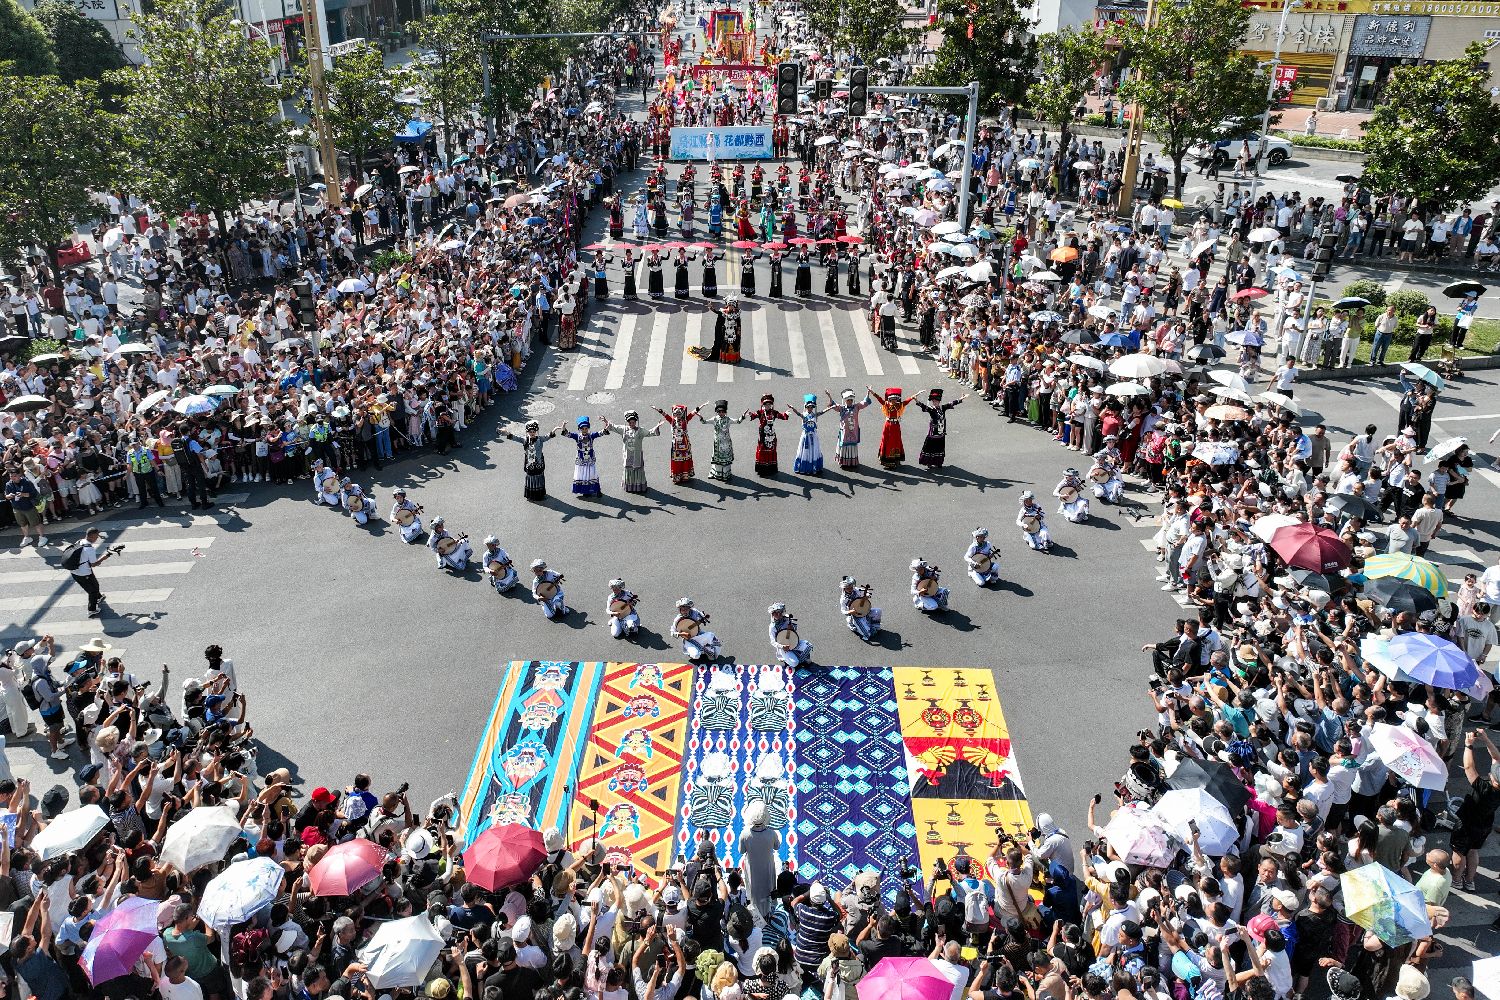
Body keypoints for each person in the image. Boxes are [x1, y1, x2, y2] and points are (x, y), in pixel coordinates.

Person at [500, 420, 559, 502]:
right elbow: (515, 438)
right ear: (527, 432)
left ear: (536, 432)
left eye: (533, 432)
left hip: (538, 462)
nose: (532, 433)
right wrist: (507, 433)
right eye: (530, 432)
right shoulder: (525, 440)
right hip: (530, 463)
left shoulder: (540, 439)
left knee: (539, 477)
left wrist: (554, 429)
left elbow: (548, 436)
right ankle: (531, 495)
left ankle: (540, 495)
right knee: (531, 478)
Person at [67, 527, 116, 618]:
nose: (97, 538)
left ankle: (99, 597)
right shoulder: (90, 549)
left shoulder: (80, 541)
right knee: (92, 591)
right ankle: (92, 610)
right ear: (92, 536)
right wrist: (105, 556)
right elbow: (94, 564)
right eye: (97, 536)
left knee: (95, 585)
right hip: (84, 573)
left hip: (74, 571)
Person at [914, 388, 966, 469]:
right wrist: (916, 399)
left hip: (941, 432)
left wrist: (961, 399)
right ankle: (929, 462)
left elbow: (951, 403)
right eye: (934, 401)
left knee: (940, 447)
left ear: (939, 401)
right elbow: (923, 406)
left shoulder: (942, 408)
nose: (935, 403)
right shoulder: (931, 409)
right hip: (933, 433)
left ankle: (938, 462)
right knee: (930, 448)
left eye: (936, 401)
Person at [561, 416, 608, 497]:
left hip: (590, 460)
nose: (584, 430)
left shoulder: (591, 436)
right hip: (581, 460)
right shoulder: (577, 437)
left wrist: (606, 422)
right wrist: (564, 426)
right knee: (583, 475)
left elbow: (601, 433)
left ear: (588, 428)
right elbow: (568, 434)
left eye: (586, 428)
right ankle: (585, 491)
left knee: (593, 474)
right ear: (580, 429)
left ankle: (597, 490)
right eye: (582, 429)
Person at [655, 404, 701, 484]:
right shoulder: (672, 421)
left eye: (679, 414)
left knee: (685, 458)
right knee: (676, 460)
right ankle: (677, 476)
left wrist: (700, 407)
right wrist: (659, 410)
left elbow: (692, 414)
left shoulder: (685, 421)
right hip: (676, 443)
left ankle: (685, 475)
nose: (678, 415)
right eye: (676, 414)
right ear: (674, 414)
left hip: (685, 442)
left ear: (682, 414)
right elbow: (666, 415)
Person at [745, 394, 789, 477]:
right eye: (766, 404)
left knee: (771, 450)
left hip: (771, 435)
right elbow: (754, 415)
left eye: (769, 404)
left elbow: (781, 416)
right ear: (763, 405)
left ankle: (770, 468)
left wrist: (786, 414)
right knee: (762, 450)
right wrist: (751, 414)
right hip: (763, 435)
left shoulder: (774, 412)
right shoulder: (760, 412)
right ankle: (762, 469)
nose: (767, 406)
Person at [827, 388, 873, 469]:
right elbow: (833, 405)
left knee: (852, 446)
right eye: (848, 400)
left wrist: (868, 393)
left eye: (851, 400)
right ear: (845, 400)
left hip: (853, 431)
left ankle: (852, 462)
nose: (850, 401)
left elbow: (864, 402)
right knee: (844, 445)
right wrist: (829, 396)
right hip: (845, 432)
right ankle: (843, 462)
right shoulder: (842, 408)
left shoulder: (856, 407)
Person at [701, 399, 744, 482]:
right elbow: (704, 422)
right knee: (717, 459)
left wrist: (743, 416)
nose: (721, 413)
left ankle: (725, 474)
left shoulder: (728, 419)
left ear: (725, 412)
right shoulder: (714, 419)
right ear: (717, 412)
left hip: (726, 443)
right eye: (719, 412)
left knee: (725, 458)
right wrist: (700, 417)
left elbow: (738, 421)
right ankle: (715, 473)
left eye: (722, 412)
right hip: (718, 443)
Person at [873, 386, 915, 468]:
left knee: (897, 440)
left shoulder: (899, 405)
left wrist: (912, 397)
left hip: (896, 425)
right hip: (888, 425)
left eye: (895, 399)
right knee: (888, 441)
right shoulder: (886, 405)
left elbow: (906, 402)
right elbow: (879, 399)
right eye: (892, 399)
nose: (894, 401)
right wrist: (873, 392)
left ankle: (896, 459)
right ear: (889, 399)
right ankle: (887, 460)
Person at [672, 597, 720, 662]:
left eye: (686, 609)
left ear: (689, 608)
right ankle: (694, 651)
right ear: (680, 610)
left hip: (698, 634)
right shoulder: (677, 619)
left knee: (711, 635)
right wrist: (681, 634)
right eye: (683, 610)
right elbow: (672, 632)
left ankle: (707, 649)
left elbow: (701, 615)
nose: (685, 611)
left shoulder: (694, 612)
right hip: (688, 639)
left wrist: (704, 618)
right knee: (696, 655)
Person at [792, 393, 828, 475]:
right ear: (806, 407)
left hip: (813, 436)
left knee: (814, 450)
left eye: (811, 407)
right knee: (805, 451)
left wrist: (830, 408)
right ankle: (804, 467)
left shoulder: (814, 415)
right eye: (808, 407)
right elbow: (798, 414)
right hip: (806, 436)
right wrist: (793, 408)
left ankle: (814, 466)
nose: (810, 408)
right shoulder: (804, 415)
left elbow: (822, 412)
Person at [768, 603, 812, 668]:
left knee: (809, 646)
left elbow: (794, 630)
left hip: (793, 641)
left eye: (780, 612)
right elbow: (773, 642)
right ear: (772, 614)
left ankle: (799, 659)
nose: (779, 614)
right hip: (783, 647)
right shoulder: (772, 627)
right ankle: (792, 659)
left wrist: (792, 628)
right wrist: (782, 646)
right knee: (794, 663)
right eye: (776, 613)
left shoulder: (787, 618)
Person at [840, 576, 882, 642]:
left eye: (851, 587)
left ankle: (875, 626)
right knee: (867, 633)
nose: (850, 589)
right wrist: (850, 611)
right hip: (856, 615)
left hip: (865, 611)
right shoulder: (843, 599)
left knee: (878, 611)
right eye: (848, 588)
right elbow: (843, 610)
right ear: (844, 588)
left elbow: (866, 592)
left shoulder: (856, 590)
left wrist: (867, 595)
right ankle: (853, 625)